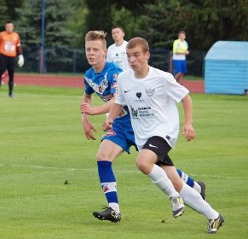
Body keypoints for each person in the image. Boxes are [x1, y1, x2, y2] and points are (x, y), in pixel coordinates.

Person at [80, 31, 205, 223]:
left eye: (95, 49)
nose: (91, 53)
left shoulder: (115, 73)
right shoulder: (89, 75)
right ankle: (114, 209)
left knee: (163, 168)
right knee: (102, 157)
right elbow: (86, 97)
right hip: (120, 126)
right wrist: (85, 120)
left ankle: (195, 188)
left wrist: (95, 112)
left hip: (140, 124)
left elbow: (116, 100)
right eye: (88, 49)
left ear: (105, 52)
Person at [103, 37, 224, 233]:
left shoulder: (162, 77)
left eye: (136, 55)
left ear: (147, 55)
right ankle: (214, 216)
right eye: (129, 56)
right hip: (144, 137)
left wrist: (188, 123)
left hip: (164, 130)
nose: (132, 60)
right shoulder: (124, 78)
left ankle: (173, 198)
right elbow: (120, 101)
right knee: (176, 182)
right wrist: (110, 118)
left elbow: (186, 97)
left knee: (142, 162)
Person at [0, 22, 23, 97]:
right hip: (3, 56)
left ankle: (10, 93)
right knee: (0, 73)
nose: (9, 28)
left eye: (11, 27)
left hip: (12, 57)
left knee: (11, 74)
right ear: (5, 27)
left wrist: (21, 56)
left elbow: (18, 46)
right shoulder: (1, 34)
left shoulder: (16, 35)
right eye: (8, 27)